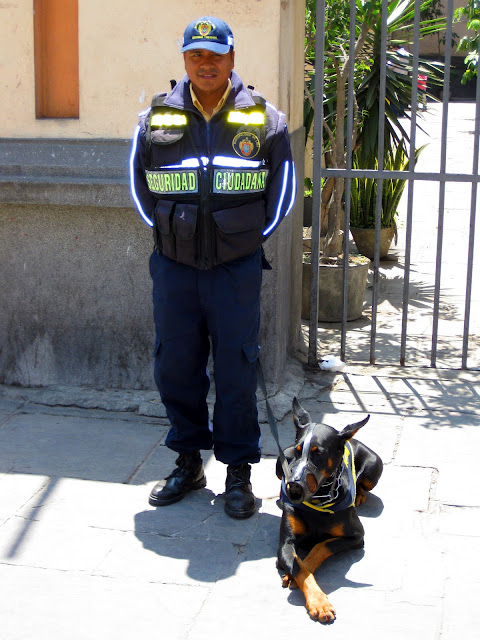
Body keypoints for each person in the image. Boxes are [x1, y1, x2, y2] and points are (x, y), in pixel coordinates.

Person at [129, 16, 296, 519]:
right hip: (174, 269)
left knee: (236, 370)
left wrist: (241, 243)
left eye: (215, 54)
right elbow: (138, 186)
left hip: (235, 271)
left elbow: (283, 192)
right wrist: (167, 236)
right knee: (175, 365)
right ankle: (187, 461)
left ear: (231, 58)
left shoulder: (264, 119)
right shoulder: (154, 120)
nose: (206, 63)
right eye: (196, 54)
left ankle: (239, 472)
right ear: (184, 59)